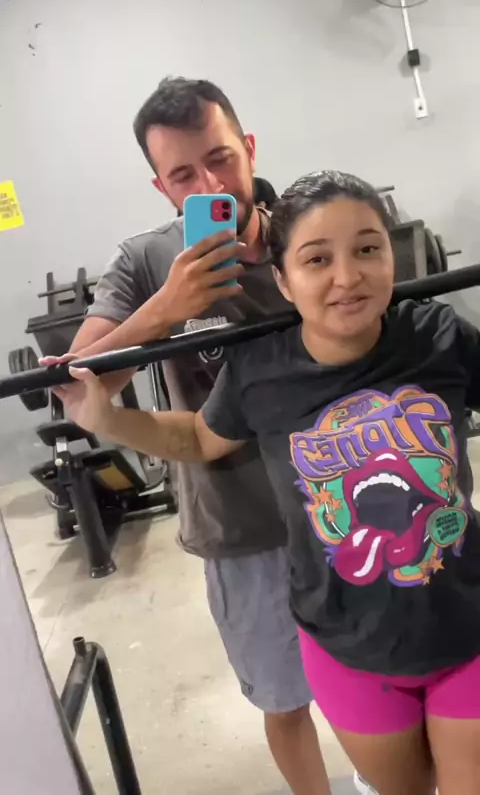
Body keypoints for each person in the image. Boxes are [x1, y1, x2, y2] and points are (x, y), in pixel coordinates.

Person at [57, 169, 480, 795]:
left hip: (467, 626)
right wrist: (105, 417)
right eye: (318, 259)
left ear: (392, 254)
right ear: (283, 280)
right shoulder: (261, 369)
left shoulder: (437, 335)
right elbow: (197, 438)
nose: (348, 276)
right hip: (348, 646)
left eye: (368, 248)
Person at [43, 77, 334, 795]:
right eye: (183, 175)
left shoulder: (311, 232)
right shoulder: (146, 262)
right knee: (284, 698)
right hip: (242, 525)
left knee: (383, 672)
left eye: (221, 158)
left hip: (346, 502)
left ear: (250, 147)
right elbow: (81, 388)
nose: (210, 185)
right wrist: (165, 309)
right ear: (160, 185)